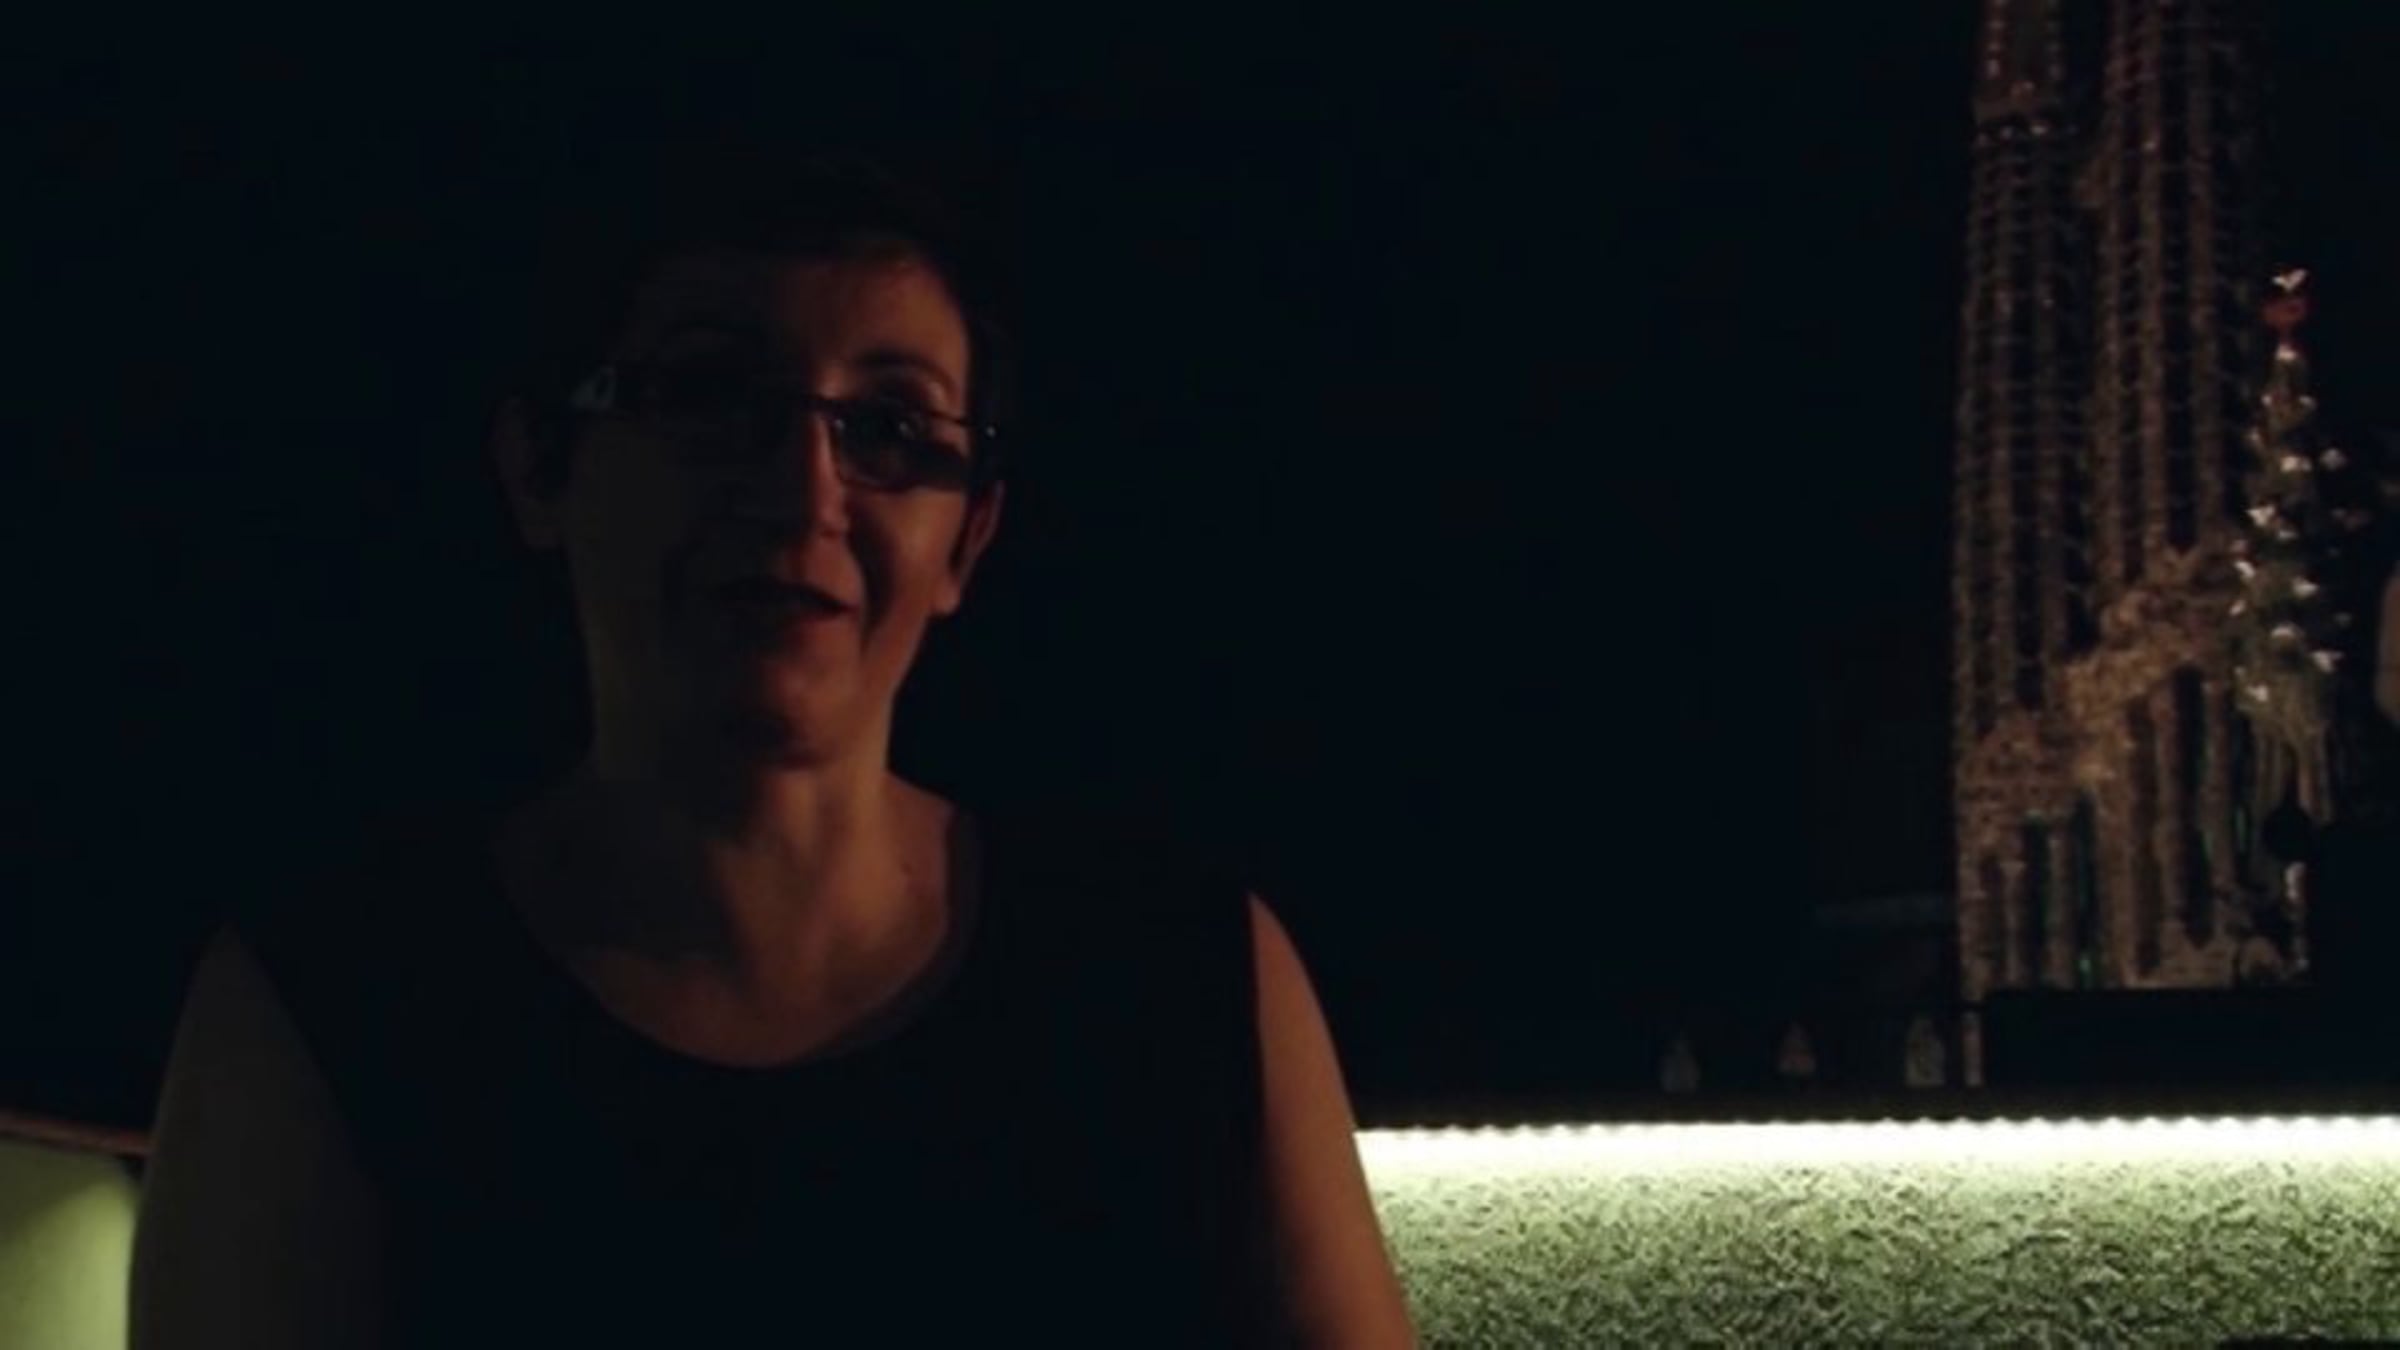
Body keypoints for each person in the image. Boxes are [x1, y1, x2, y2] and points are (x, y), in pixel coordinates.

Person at [131, 148, 1416, 1348]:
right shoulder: (337, 1005)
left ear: (968, 540)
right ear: (539, 468)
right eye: (708, 393)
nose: (804, 491)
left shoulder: (1185, 975)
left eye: (892, 428)